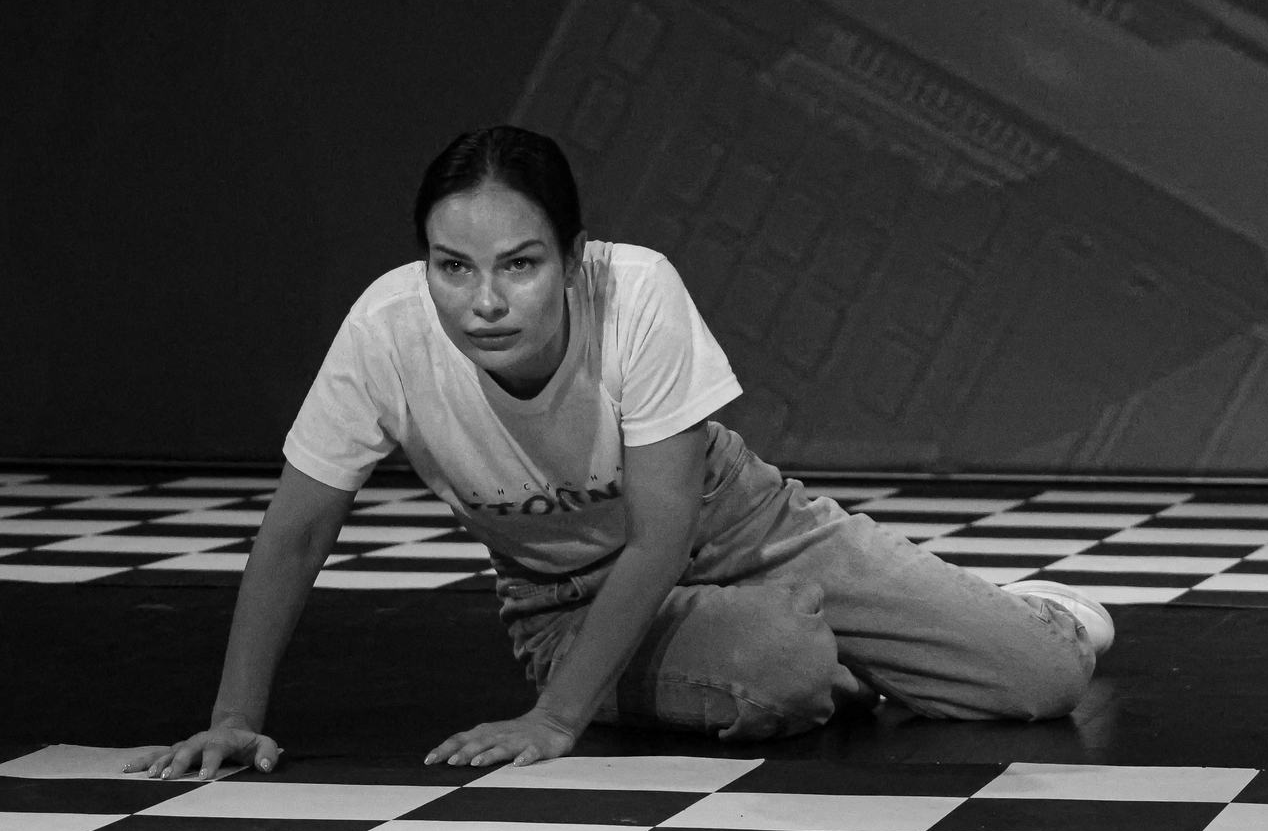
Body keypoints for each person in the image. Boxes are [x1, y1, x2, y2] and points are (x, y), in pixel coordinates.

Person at [128, 126, 1112, 780]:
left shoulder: (636, 291)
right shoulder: (385, 331)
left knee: (1042, 680)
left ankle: (999, 615)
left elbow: (663, 535)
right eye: (451, 266)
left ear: (572, 256)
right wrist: (234, 715)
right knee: (781, 664)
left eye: (519, 264)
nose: (484, 301)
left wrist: (556, 722)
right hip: (566, 599)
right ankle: (816, 643)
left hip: (745, 527)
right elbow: (297, 533)